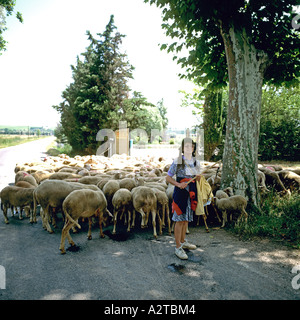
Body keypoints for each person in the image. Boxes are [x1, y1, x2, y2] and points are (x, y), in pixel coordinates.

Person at [166, 137, 202, 260]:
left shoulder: (196, 162)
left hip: (191, 193)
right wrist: (178, 184)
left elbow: (198, 177)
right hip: (180, 193)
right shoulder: (177, 161)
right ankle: (178, 247)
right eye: (186, 146)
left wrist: (198, 177)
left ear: (193, 148)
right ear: (182, 148)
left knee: (186, 219)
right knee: (179, 220)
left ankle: (183, 241)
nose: (189, 148)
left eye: (191, 146)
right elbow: (168, 177)